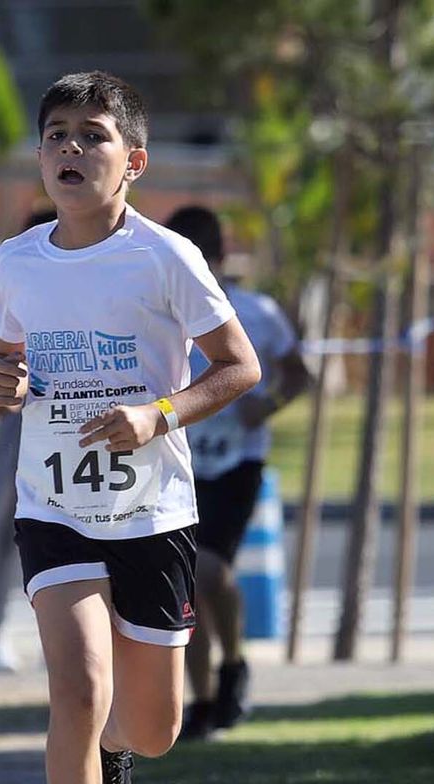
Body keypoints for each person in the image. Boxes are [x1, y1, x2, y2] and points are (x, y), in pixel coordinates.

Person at [0, 71, 260, 784]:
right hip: (53, 502)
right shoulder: (17, 260)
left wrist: (158, 413)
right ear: (39, 156)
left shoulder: (166, 257)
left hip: (152, 509)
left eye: (92, 135)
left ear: (132, 160)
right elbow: (5, 365)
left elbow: (238, 366)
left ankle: (117, 748)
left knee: (155, 724)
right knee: (77, 682)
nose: (72, 148)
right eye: (57, 134)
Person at [165, 206, 309, 739]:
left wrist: (264, 404)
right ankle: (202, 700)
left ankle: (234, 662)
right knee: (184, 584)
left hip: (235, 461)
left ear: (221, 258)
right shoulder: (158, 309)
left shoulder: (255, 311)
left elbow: (298, 372)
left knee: (208, 572)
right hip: (177, 460)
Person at [0, 205, 58, 673]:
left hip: (82, 430)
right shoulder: (17, 286)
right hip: (23, 429)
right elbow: (1, 377)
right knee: (4, 527)